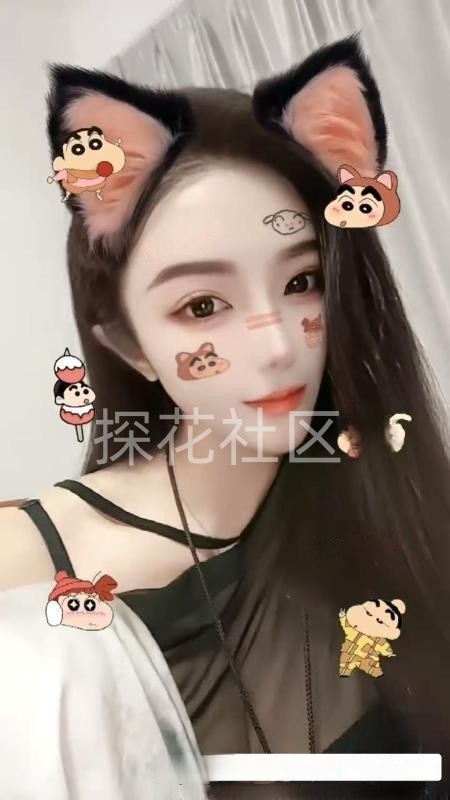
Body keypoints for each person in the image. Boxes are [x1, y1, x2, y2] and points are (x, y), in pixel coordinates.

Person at [1, 34, 449, 800]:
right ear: (128, 344)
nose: (276, 348)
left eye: (302, 281)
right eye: (203, 305)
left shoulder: (391, 497)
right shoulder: (28, 562)